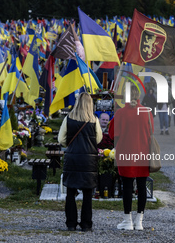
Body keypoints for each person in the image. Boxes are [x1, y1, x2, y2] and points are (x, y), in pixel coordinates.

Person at [58, 92, 103, 232]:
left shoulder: (68, 118)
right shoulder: (94, 120)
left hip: (72, 158)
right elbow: (99, 139)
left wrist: (71, 145)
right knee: (88, 193)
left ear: (77, 103)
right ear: (90, 104)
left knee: (70, 192)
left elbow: (61, 139)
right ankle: (86, 224)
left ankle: (71, 223)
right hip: (88, 160)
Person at [114, 85, 153, 231]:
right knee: (142, 186)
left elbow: (114, 134)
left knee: (127, 186)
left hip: (125, 152)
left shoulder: (120, 113)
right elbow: (151, 132)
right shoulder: (147, 112)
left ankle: (127, 220)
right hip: (143, 152)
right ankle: (139, 221)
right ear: (138, 96)